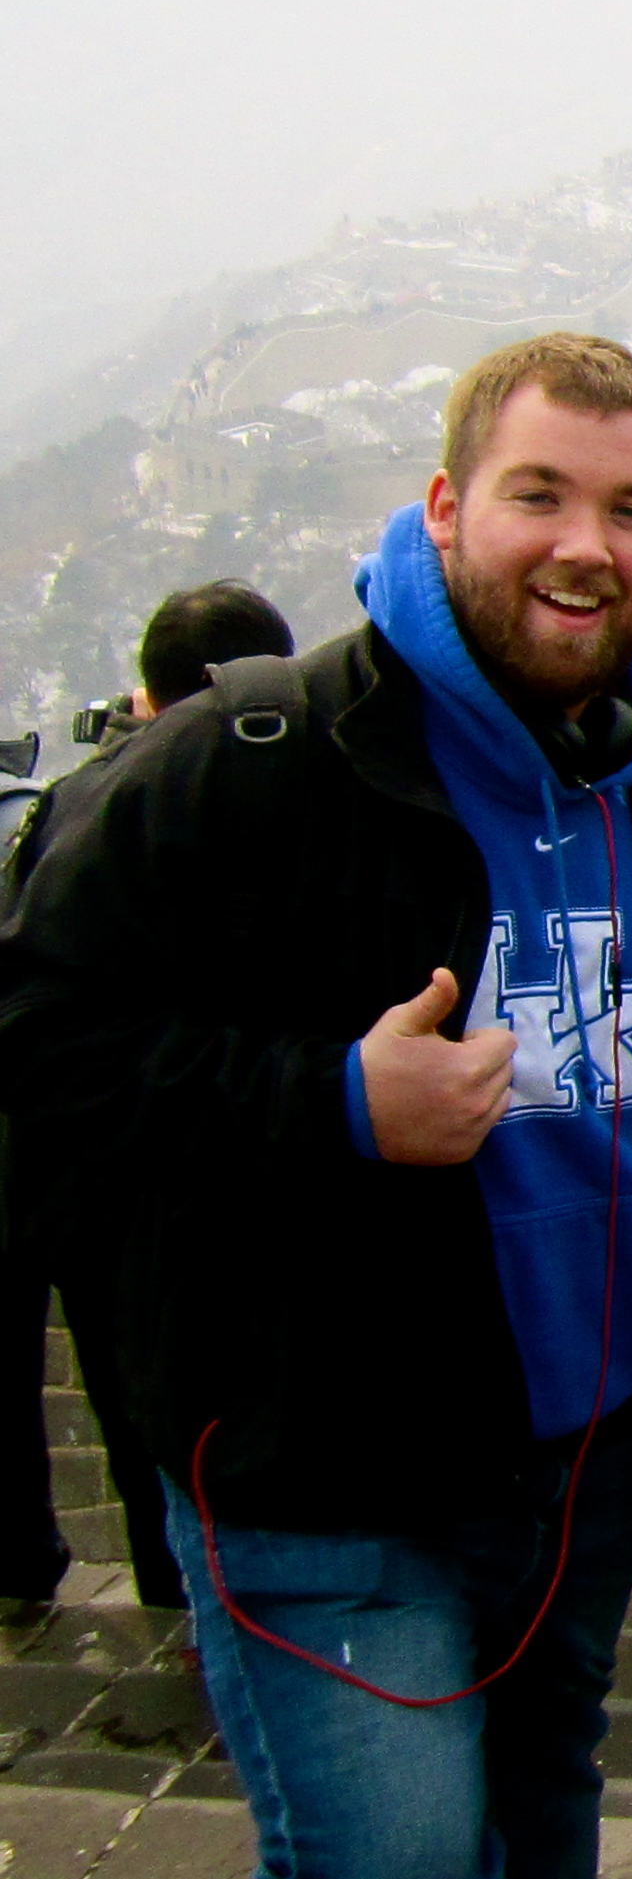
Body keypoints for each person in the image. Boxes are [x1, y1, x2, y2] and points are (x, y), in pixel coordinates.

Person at [0, 333, 632, 1879]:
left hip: (571, 1459)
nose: (587, 543)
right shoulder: (250, 762)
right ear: (444, 508)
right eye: (541, 496)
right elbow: (37, 1034)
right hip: (314, 1462)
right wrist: (333, 1103)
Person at [0, 581, 299, 1607]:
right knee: (164, 1400)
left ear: (146, 692)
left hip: (72, 1153)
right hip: (234, 1151)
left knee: (106, 1381)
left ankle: (53, 1575)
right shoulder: (309, 791)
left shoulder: (85, 797)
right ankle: (193, 1597)